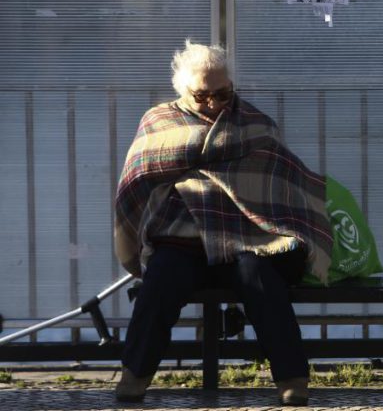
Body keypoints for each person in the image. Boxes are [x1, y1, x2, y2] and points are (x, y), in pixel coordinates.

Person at [114, 40, 332, 405]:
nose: (214, 104)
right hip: (181, 235)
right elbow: (135, 182)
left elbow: (279, 179)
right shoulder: (158, 121)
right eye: (202, 96)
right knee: (161, 282)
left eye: (222, 93)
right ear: (183, 90)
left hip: (247, 235)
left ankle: (293, 379)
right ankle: (134, 375)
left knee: (261, 280)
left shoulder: (254, 122)